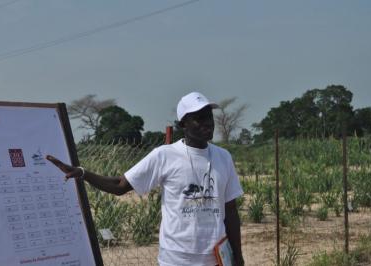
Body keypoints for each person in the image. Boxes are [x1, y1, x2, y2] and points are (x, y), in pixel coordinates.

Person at [47, 92, 244, 266]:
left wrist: (238, 256)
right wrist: (83, 173)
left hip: (216, 258)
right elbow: (120, 185)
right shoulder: (165, 155)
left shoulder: (223, 157)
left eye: (209, 117)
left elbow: (231, 212)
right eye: (199, 118)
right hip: (176, 258)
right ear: (183, 123)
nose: (207, 122)